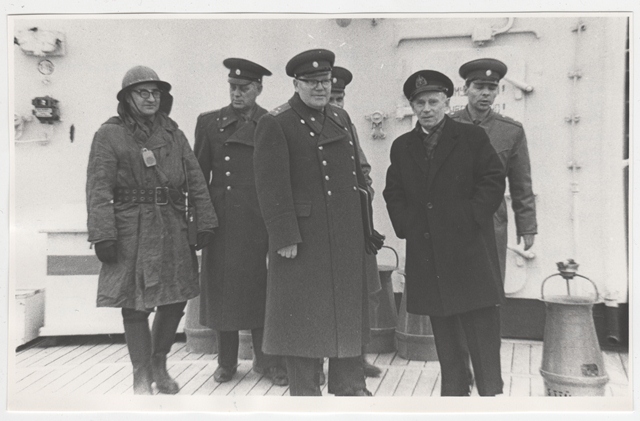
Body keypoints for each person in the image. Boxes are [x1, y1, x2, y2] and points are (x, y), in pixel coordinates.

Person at [86, 65, 217, 395]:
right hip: (131, 228)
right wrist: (103, 234)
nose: (149, 98)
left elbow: (196, 179)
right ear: (127, 98)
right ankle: (141, 373)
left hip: (171, 225)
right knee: (134, 303)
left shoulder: (173, 133)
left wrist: (205, 221)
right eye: (142, 92)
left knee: (174, 300)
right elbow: (98, 188)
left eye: (155, 92)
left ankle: (159, 362)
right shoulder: (109, 134)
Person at [253, 49, 377, 396]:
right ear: (296, 83)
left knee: (346, 314)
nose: (320, 87)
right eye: (311, 82)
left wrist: (365, 229)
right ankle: (305, 396)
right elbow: (270, 186)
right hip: (303, 241)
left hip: (344, 236)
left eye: (324, 81)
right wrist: (284, 236)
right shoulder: (276, 122)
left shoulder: (340, 117)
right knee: (302, 322)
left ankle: (350, 386)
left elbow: (356, 178)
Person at [383, 69, 506, 396]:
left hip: (468, 252)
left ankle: (491, 396)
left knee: (480, 329)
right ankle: (454, 394)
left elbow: (493, 180)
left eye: (433, 101)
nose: (426, 108)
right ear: (412, 105)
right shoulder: (403, 146)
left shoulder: (471, 138)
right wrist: (408, 225)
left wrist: (470, 217)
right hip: (429, 255)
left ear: (447, 102)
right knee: (445, 332)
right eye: (419, 102)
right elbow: (393, 192)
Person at [194, 58, 287, 386]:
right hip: (224, 224)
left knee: (264, 292)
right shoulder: (209, 123)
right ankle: (227, 362)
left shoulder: (272, 122)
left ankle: (268, 362)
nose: (237, 93)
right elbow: (198, 177)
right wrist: (200, 224)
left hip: (262, 220)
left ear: (259, 89)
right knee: (224, 294)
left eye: (244, 88)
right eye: (233, 87)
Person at [450, 58, 537, 281]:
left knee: (489, 282)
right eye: (479, 87)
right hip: (451, 218)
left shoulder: (510, 131)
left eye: (492, 88)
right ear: (465, 89)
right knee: (453, 282)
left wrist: (526, 226)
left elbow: (521, 183)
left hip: (491, 219)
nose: (486, 93)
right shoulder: (446, 126)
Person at [325, 65, 382, 380]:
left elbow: (363, 167)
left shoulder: (347, 125)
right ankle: (321, 362)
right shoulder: (304, 127)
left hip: (356, 223)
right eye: (331, 97)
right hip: (325, 227)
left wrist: (365, 191)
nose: (335, 104)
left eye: (340, 97)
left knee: (363, 290)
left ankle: (357, 357)